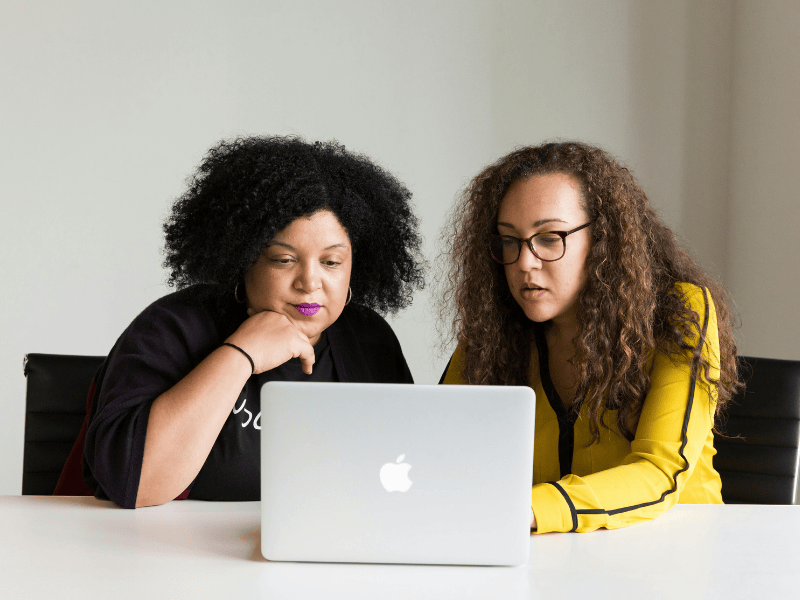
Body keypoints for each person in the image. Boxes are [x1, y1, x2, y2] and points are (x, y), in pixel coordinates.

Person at [78, 136, 425, 508]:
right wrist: (241, 353)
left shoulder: (368, 339)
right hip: (171, 554)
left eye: (331, 262)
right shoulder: (174, 327)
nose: (309, 283)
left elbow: (407, 472)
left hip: (325, 552)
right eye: (283, 260)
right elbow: (135, 485)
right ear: (242, 258)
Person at [438, 141, 740, 533]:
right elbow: (439, 444)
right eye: (509, 241)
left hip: (674, 554)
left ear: (603, 241)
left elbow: (658, 472)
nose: (524, 262)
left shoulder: (678, 312)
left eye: (549, 238)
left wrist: (526, 509)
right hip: (541, 556)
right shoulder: (494, 325)